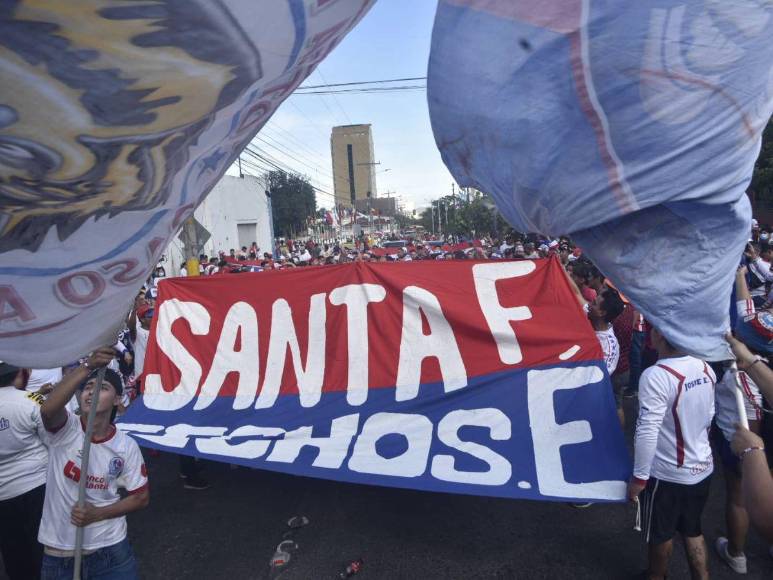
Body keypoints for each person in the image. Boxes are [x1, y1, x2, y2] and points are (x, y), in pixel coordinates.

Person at [39, 348, 148, 579]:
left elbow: (140, 497)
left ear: (118, 400)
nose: (92, 391)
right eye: (87, 387)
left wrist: (98, 513)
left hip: (111, 550)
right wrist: (87, 366)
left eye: (102, 388)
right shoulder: (66, 429)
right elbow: (48, 411)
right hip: (60, 551)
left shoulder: (126, 445)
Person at [628, 326, 715, 580]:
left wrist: (639, 478)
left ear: (660, 338)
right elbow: (709, 415)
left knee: (660, 534)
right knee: (692, 530)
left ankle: (656, 576)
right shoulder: (704, 366)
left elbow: (647, 430)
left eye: (653, 329)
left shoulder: (656, 375)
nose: (649, 333)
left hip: (667, 475)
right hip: (702, 467)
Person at [711, 266, 772, 574]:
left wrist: (737, 275)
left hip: (748, 437)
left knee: (739, 496)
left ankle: (736, 553)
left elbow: (747, 320)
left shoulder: (746, 377)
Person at [0, 362, 47, 580]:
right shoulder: (31, 399)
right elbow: (52, 439)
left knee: (14, 553)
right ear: (19, 373)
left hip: (3, 495)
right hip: (37, 485)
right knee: (45, 548)